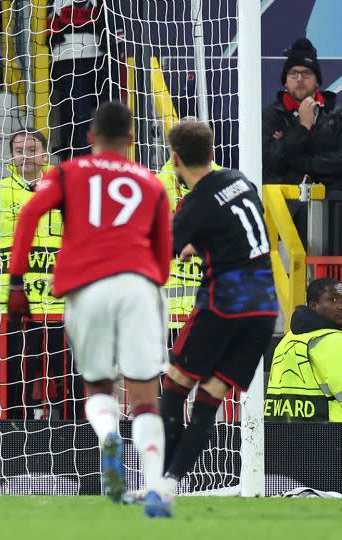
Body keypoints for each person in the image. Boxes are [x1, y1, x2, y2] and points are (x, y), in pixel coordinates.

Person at [6, 102, 172, 517]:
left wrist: (16, 281)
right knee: (146, 396)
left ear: (89, 138)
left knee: (98, 387)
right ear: (132, 141)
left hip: (87, 286)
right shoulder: (151, 184)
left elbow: (28, 215)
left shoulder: (67, 172)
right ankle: (153, 484)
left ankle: (108, 441)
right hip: (138, 286)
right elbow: (165, 256)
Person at [159, 121, 277, 508]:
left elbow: (161, 255)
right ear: (211, 153)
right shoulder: (241, 181)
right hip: (263, 309)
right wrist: (198, 244)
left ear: (175, 159)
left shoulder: (194, 206)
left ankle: (159, 480)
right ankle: (173, 482)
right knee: (210, 396)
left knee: (176, 386)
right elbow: (238, 229)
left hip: (224, 304)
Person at [0, 130, 68, 418]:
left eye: (32, 149)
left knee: (66, 386)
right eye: (19, 149)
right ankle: (10, 447)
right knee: (11, 387)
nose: (25, 155)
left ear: (45, 155)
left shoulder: (65, 192)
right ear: (12, 156)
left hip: (58, 310)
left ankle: (74, 447)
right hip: (11, 309)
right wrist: (1, 279)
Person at [156, 118, 222, 334]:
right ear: (210, 152)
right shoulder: (230, 181)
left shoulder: (153, 186)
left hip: (203, 312)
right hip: (180, 313)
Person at [262, 38, 342, 187]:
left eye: (306, 74)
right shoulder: (271, 116)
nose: (299, 79)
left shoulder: (336, 114)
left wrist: (292, 151)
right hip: (289, 204)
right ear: (285, 82)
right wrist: (303, 127)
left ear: (317, 81)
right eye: (293, 74)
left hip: (332, 201)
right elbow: (270, 164)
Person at [266, 278, 342, 422]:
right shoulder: (335, 341)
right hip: (330, 437)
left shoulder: (286, 340)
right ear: (314, 306)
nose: (340, 305)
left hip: (280, 435)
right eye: (333, 299)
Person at [46, 0, 112, 160]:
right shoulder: (57, 2)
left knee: (100, 112)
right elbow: (49, 29)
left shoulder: (103, 3)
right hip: (66, 59)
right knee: (78, 114)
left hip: (98, 59)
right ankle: (81, 157)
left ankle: (89, 154)